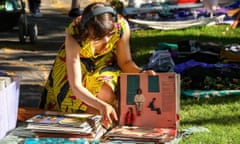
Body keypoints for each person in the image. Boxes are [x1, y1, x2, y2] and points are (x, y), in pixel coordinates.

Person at [39, 2, 155, 129]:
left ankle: (102, 130)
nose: (106, 41)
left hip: (103, 62)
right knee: (82, 105)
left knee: (106, 93)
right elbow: (76, 86)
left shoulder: (120, 26)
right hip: (76, 63)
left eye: (109, 35)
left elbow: (125, 62)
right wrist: (101, 106)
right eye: (98, 37)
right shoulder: (75, 33)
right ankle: (89, 134)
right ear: (86, 31)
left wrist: (141, 73)